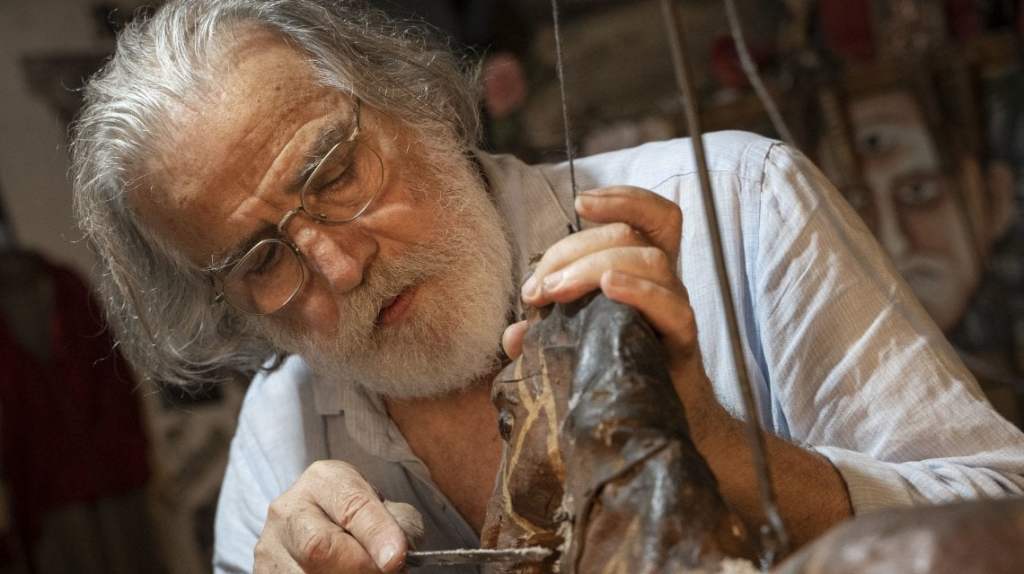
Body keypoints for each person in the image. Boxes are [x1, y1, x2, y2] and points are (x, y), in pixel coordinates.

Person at [69, 1, 1024, 573]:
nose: (340, 267)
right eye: (262, 260)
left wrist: (716, 449)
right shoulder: (276, 448)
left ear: (410, 99)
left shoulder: (740, 204)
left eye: (334, 171)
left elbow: (1002, 520)